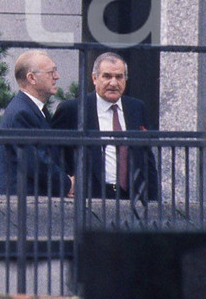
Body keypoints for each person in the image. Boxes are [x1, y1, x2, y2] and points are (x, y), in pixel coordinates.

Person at [51, 52, 159, 201]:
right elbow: (56, 155)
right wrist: (67, 186)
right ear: (95, 78)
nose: (114, 83)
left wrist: (154, 200)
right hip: (89, 198)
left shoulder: (136, 108)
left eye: (119, 77)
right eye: (107, 76)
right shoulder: (73, 109)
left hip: (132, 198)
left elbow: (147, 158)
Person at [0, 50, 74, 197]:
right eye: (51, 72)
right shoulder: (21, 113)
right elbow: (37, 163)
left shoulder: (34, 109)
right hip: (25, 205)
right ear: (31, 78)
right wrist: (67, 184)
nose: (57, 77)